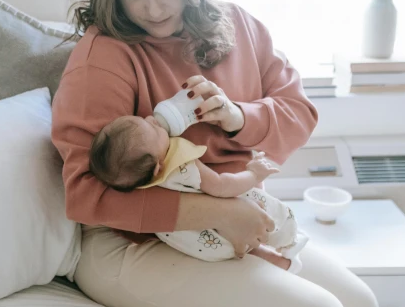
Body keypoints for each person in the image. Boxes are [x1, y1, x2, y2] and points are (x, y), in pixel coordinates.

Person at [51, 0, 379, 307]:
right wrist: (216, 211)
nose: (154, 8)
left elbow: (299, 112)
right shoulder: (104, 56)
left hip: (236, 224)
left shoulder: (239, 26)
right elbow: (84, 193)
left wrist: (240, 117)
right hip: (134, 244)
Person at [88, 113, 307, 273]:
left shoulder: (139, 183)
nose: (151, 119)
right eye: (154, 129)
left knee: (245, 250)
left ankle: (278, 263)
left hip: (198, 245)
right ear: (158, 167)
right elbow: (222, 187)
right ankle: (288, 242)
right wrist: (253, 174)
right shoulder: (182, 166)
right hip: (229, 223)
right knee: (265, 212)